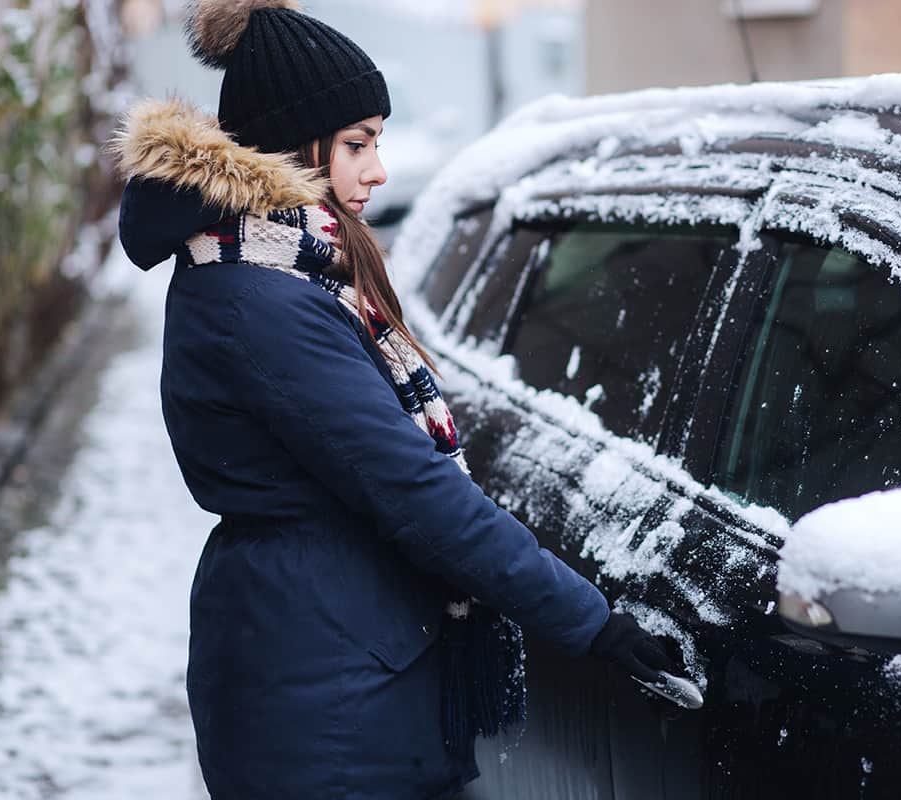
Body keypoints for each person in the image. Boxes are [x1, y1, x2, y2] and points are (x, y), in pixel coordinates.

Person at [111, 1, 682, 797]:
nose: (377, 169)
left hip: (331, 657)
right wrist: (591, 622)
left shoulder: (281, 271)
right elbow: (413, 487)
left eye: (377, 140)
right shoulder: (260, 300)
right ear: (289, 147)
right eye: (356, 143)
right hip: (327, 696)